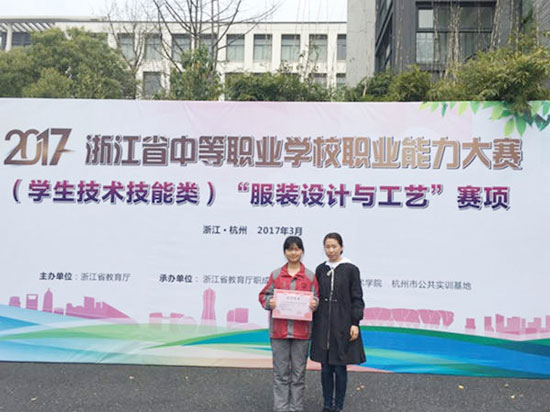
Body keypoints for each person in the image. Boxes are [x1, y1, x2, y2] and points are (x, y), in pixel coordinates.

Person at [259, 236, 319, 412]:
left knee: (299, 374)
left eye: (297, 249)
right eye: (290, 249)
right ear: (285, 252)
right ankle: (281, 407)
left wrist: (314, 303)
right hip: (279, 331)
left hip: (302, 332)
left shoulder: (310, 276)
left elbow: (316, 297)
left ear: (302, 251)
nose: (293, 253)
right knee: (280, 373)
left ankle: (296, 408)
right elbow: (263, 295)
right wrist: (269, 302)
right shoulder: (276, 274)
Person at [310, 232, 366, 412]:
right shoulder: (321, 269)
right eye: (327, 246)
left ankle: (338, 405)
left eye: (334, 246)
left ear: (341, 247)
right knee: (325, 368)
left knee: (340, 368)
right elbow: (315, 295)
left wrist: (355, 322)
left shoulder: (351, 269)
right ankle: (327, 404)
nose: (331, 250)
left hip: (343, 324)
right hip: (323, 325)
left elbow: (357, 298)